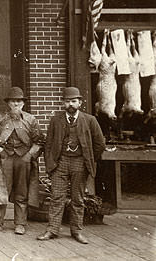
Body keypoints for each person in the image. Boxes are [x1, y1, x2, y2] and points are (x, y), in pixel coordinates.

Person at [37, 87, 106, 244]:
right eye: (67, 101)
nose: (70, 105)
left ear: (80, 102)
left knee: (78, 199)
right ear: (63, 103)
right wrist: (50, 164)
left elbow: (100, 144)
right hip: (60, 163)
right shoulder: (56, 120)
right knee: (56, 197)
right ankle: (52, 230)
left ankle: (76, 231)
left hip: (79, 163)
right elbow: (48, 144)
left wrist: (88, 158)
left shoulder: (90, 120)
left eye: (73, 101)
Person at [0, 87, 45, 235]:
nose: (16, 104)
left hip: (23, 158)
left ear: (23, 103)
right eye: (13, 101)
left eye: (19, 101)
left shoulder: (30, 119)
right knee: (1, 190)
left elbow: (39, 141)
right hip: (5, 157)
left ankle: (20, 224)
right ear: (8, 103)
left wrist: (30, 154)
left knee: (22, 191)